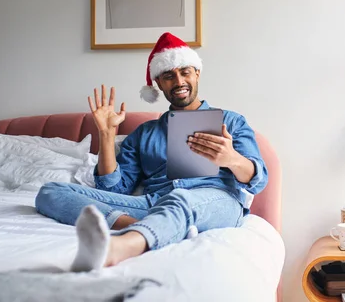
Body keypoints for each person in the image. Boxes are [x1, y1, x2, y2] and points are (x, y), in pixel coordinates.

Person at [35, 32, 268, 271]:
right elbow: (114, 189)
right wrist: (106, 136)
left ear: (197, 74)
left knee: (182, 198)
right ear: (158, 83)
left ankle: (122, 246)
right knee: (50, 192)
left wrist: (232, 159)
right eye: (168, 75)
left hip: (216, 200)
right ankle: (152, 224)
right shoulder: (144, 133)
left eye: (185, 72)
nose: (178, 81)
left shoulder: (231, 121)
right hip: (154, 203)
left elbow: (258, 181)